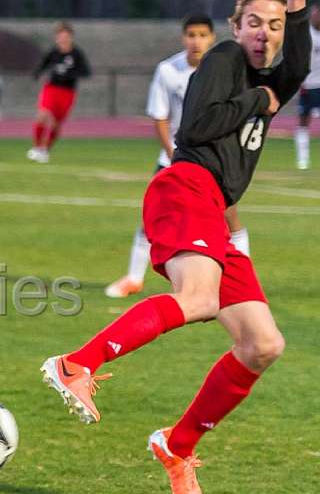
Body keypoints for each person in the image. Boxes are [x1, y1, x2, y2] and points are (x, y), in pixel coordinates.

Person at [41, 0, 318, 494]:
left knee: (263, 343)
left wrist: (297, 1)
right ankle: (78, 363)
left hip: (212, 210)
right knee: (196, 299)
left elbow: (294, 69)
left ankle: (178, 445)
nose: (265, 34)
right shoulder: (221, 60)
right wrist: (255, 101)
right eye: (254, 23)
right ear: (235, 27)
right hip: (184, 187)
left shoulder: (271, 73)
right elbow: (194, 127)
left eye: (275, 26)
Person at [106, 15, 253, 299]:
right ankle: (134, 278)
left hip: (214, 161)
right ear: (183, 38)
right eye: (191, 35)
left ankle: (243, 276)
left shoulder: (225, 71)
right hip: (175, 159)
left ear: (212, 38)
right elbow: (160, 117)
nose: (196, 41)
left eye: (202, 35)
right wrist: (174, 155)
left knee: (229, 216)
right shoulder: (167, 70)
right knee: (151, 219)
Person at [27, 22, 91, 164]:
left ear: (71, 37)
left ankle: (45, 150)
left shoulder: (77, 54)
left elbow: (86, 72)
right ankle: (37, 147)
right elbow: (43, 65)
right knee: (42, 114)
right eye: (60, 37)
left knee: (56, 124)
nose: (63, 40)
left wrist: (71, 74)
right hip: (51, 88)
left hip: (67, 93)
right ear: (57, 38)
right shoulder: (53, 52)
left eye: (66, 37)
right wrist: (37, 73)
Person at [294, 4, 320, 169]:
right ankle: (303, 160)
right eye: (315, 14)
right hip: (307, 85)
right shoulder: (305, 36)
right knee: (303, 121)